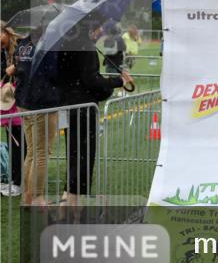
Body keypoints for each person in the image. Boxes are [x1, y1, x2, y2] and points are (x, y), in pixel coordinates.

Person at [56, 19, 133, 210]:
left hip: (68, 105)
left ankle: (69, 199)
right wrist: (117, 82)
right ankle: (73, 204)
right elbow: (92, 82)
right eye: (99, 28)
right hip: (84, 108)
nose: (100, 31)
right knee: (84, 156)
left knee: (73, 154)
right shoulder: (86, 48)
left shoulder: (64, 46)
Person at [14, 17, 61, 207]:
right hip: (41, 103)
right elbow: (54, 74)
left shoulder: (23, 44)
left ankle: (28, 196)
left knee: (32, 152)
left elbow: (20, 69)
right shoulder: (48, 46)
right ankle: (37, 197)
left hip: (24, 101)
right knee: (42, 152)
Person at [1, 22, 24, 197]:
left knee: (20, 142)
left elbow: (28, 67)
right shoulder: (2, 51)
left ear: (7, 32)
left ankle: (18, 182)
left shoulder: (21, 47)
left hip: (21, 102)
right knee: (13, 141)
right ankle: (15, 180)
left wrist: (15, 68)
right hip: (8, 104)